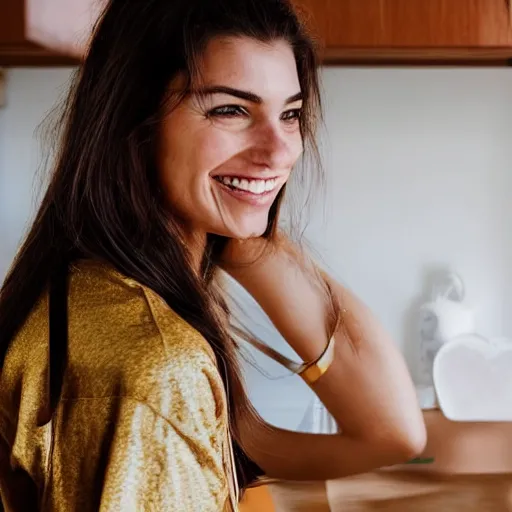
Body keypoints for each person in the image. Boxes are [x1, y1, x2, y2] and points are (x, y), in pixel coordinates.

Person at [0, 0, 427, 510]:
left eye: (289, 113)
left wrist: (243, 231)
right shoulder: (155, 362)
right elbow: (392, 436)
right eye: (231, 110)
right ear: (134, 119)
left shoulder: (92, 294)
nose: (279, 149)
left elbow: (394, 433)